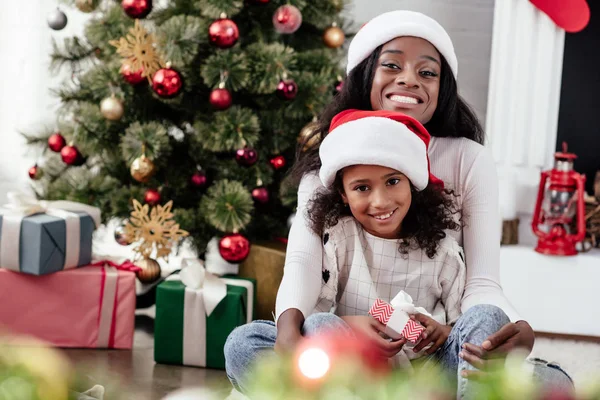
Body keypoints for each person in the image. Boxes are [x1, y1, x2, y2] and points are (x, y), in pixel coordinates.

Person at [225, 9, 573, 396]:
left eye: (428, 72)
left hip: (426, 357)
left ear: (418, 181)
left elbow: (475, 290)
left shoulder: (455, 196)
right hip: (348, 347)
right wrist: (292, 333)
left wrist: (512, 327)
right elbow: (305, 268)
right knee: (250, 343)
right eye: (392, 65)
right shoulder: (333, 186)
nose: (409, 79)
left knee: (553, 382)